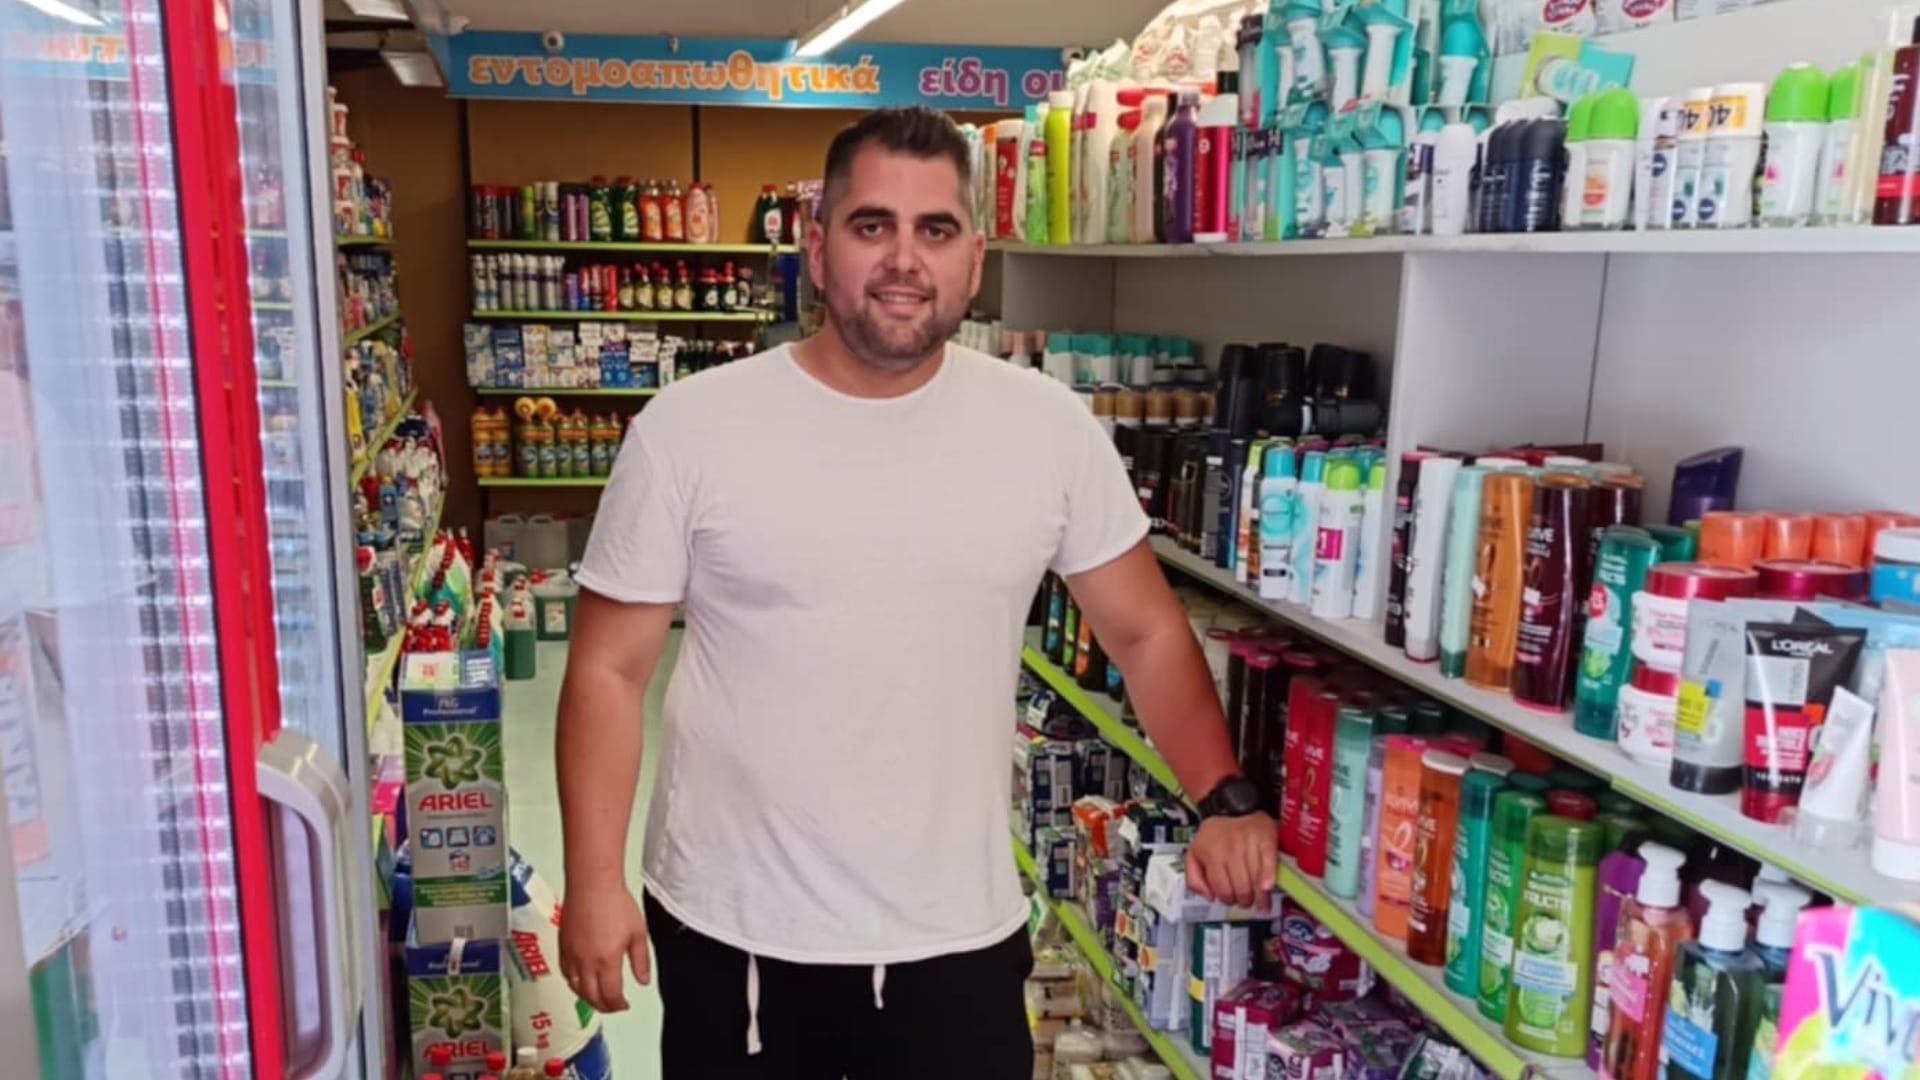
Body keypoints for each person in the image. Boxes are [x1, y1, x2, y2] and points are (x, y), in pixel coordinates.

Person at [555, 104, 1276, 1079]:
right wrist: (594, 881)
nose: (904, 260)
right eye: (872, 225)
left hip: (955, 929)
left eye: (935, 229)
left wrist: (1222, 796)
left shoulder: (1047, 430)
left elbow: (1144, 633)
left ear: (974, 259)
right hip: (737, 929)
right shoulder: (690, 429)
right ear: (818, 249)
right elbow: (608, 669)